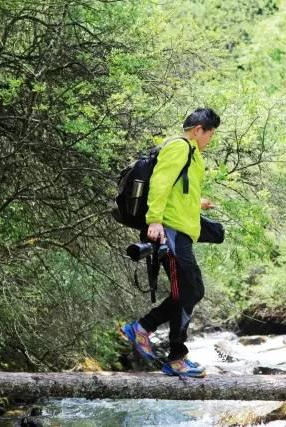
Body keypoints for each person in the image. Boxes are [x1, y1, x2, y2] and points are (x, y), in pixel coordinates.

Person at [120, 108, 221, 378]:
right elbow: (161, 182)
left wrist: (197, 203)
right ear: (199, 129)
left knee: (191, 291)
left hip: (181, 233)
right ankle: (176, 358)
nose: (210, 139)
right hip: (169, 233)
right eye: (210, 134)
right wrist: (154, 220)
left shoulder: (192, 154)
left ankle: (143, 328)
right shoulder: (179, 147)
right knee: (189, 290)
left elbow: (178, 190)